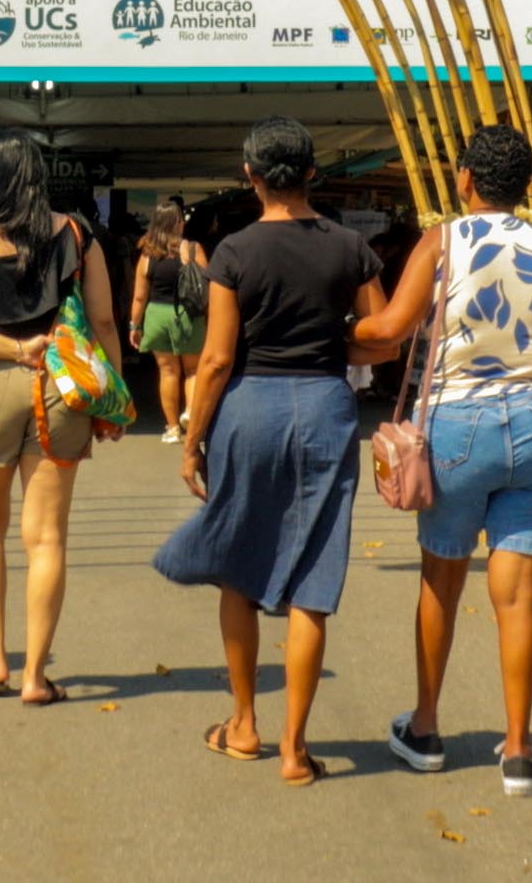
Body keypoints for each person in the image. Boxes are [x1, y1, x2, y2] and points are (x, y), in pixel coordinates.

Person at [152, 117, 385, 786]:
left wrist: (193, 441)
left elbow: (219, 358)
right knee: (314, 579)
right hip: (324, 406)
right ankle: (295, 750)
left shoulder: (234, 251)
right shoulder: (350, 249)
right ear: (312, 172)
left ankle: (245, 724)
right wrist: (334, 345)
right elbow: (386, 338)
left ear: (251, 175)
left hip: (249, 408)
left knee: (239, 565)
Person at [352, 123, 532, 798]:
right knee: (516, 595)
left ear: (465, 180)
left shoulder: (445, 240)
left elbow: (391, 330)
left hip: (460, 424)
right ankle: (518, 752)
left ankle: (425, 729)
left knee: (441, 581)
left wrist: (341, 330)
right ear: (525, 187)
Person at [0, 129, 122, 704]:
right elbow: (105, 324)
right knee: (47, 539)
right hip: (60, 387)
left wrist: (12, 349)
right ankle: (37, 674)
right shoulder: (76, 235)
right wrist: (111, 399)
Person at [131, 198, 207, 443]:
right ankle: (191, 414)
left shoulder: (147, 254)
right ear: (178, 224)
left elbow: (140, 296)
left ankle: (172, 428)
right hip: (187, 315)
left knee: (167, 372)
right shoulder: (194, 249)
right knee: (193, 371)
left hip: (157, 316)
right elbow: (207, 285)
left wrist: (134, 325)